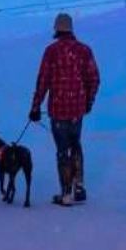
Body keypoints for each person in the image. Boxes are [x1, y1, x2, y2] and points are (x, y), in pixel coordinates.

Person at [29, 13, 100, 206]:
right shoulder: (84, 50)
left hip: (58, 108)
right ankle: (79, 185)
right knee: (75, 144)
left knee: (62, 149)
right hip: (77, 108)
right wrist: (88, 101)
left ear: (56, 29)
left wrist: (35, 107)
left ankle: (66, 193)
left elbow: (43, 81)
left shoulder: (51, 51)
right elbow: (94, 78)